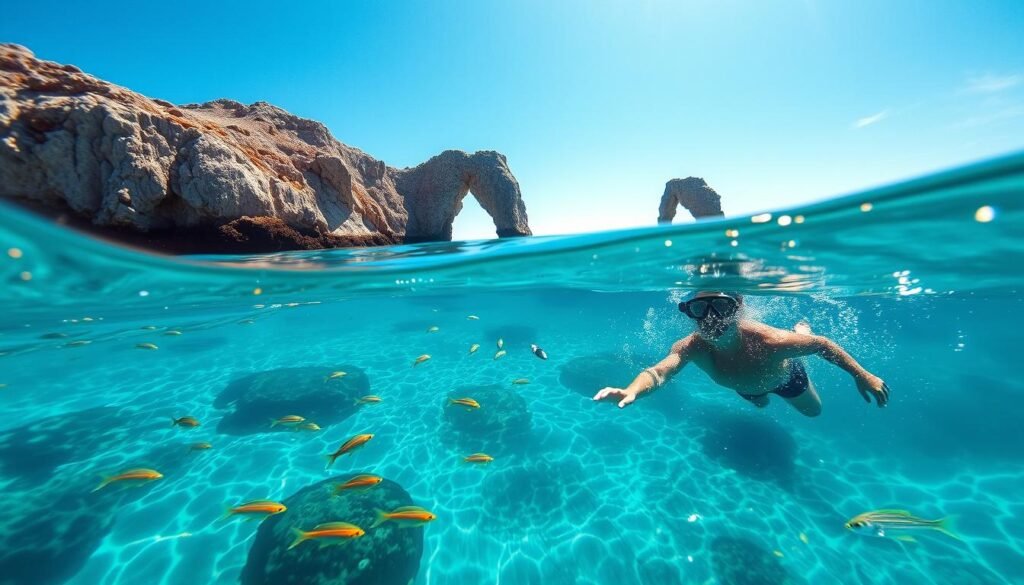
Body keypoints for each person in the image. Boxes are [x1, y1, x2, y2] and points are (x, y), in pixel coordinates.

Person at [593, 291, 889, 417]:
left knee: (814, 413)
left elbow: (822, 344)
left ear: (737, 309)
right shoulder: (690, 347)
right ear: (690, 314)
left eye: (721, 307)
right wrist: (632, 390)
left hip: (787, 379)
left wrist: (862, 375)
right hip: (746, 387)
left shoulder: (769, 341)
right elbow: (659, 372)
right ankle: (764, 388)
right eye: (700, 309)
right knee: (760, 403)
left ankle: (800, 333)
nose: (711, 318)